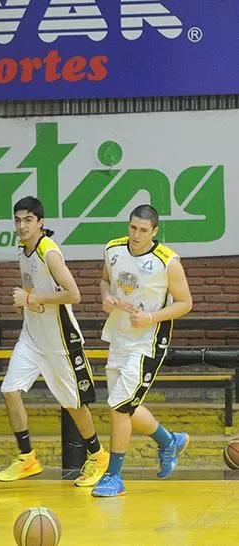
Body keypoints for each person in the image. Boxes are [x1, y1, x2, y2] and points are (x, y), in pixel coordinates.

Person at [0, 196, 109, 486]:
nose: (22, 225)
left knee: (73, 404)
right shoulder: (23, 249)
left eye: (28, 220)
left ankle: (97, 454)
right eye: (18, 220)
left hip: (60, 342)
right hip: (32, 338)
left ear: (40, 222)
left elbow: (74, 294)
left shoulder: (49, 252)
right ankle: (27, 458)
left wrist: (31, 298)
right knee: (9, 390)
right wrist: (26, 301)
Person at [92, 204, 192, 497]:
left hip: (148, 341)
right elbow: (104, 281)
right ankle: (169, 441)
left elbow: (185, 303)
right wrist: (106, 297)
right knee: (127, 406)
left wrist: (151, 317)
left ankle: (114, 476)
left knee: (119, 407)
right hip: (119, 337)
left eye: (143, 230)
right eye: (132, 227)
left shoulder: (167, 261)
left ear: (155, 231)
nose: (136, 235)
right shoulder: (113, 249)